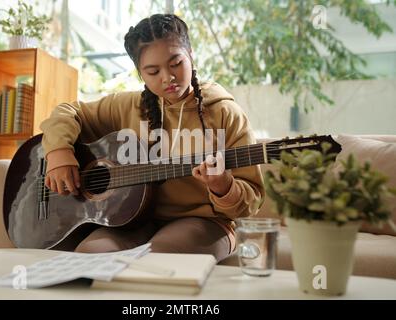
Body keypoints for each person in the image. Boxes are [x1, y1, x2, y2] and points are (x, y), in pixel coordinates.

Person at [40, 13, 264, 262]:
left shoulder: (225, 112)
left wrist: (223, 186)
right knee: (87, 257)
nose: (167, 77)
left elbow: (251, 199)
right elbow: (68, 112)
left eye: (176, 63)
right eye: (153, 71)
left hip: (205, 222)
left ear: (190, 53)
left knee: (160, 256)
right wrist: (58, 153)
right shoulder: (127, 106)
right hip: (132, 220)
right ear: (140, 74)